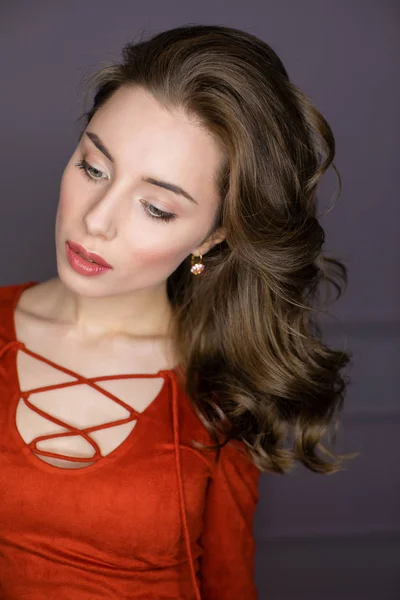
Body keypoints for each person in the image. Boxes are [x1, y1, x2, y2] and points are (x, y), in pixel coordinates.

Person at [0, 24, 351, 600]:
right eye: (93, 167)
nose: (97, 220)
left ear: (213, 237)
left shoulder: (219, 395)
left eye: (157, 208)